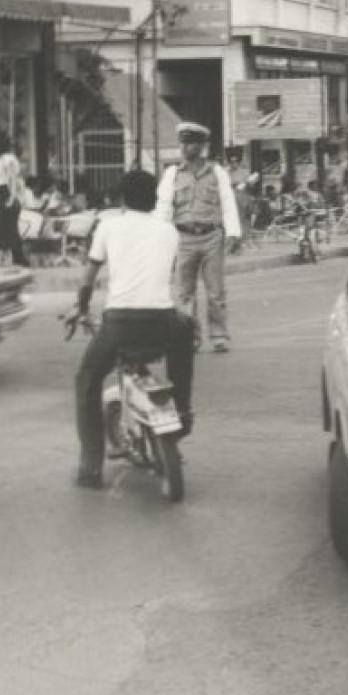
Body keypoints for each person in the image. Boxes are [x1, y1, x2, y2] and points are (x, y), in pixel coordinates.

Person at [68, 170, 196, 490]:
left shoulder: (108, 226)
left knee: (86, 379)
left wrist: (80, 308)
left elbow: (88, 279)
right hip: (162, 322)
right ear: (154, 200)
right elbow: (163, 275)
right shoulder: (169, 231)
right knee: (185, 333)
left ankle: (90, 468)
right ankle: (182, 410)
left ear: (122, 199)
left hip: (120, 324)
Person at [156, 122, 242, 353]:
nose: (187, 147)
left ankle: (219, 335)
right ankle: (189, 336)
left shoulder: (217, 172)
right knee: (184, 292)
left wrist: (233, 233)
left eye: (193, 142)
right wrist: (161, 238)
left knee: (215, 291)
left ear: (202, 145)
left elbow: (227, 203)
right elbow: (163, 207)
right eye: (184, 142)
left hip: (211, 236)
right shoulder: (172, 174)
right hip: (182, 237)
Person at [0, 130, 28, 266]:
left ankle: (14, 260)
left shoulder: (7, 159)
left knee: (6, 229)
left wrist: (12, 197)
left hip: (4, 193)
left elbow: (13, 179)